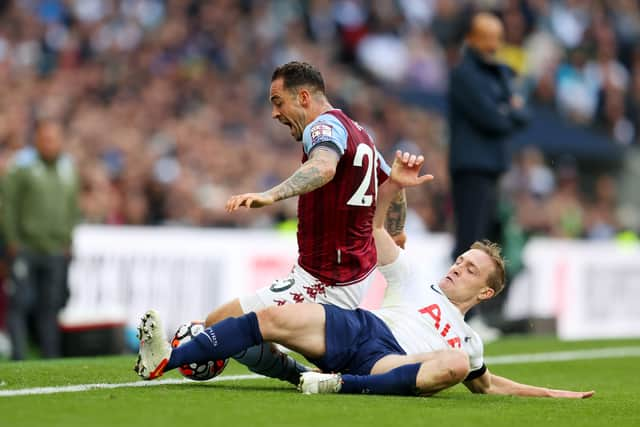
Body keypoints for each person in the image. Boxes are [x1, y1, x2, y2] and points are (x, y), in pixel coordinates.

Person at [134, 151, 593, 400]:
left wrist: (552, 393)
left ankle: (337, 383)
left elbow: (488, 385)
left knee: (453, 363)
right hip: (363, 330)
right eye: (460, 260)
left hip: (390, 362)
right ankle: (163, 361)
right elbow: (372, 229)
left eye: (470, 268)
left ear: (486, 291)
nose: (457, 267)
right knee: (274, 316)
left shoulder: (469, 342)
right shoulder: (415, 277)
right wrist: (393, 185)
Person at [198, 61, 406, 384]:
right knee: (263, 331)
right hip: (352, 271)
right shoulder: (360, 133)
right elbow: (392, 182)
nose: (274, 113)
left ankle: (300, 376)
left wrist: (271, 195)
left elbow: (324, 167)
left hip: (325, 280)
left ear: (304, 97)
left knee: (218, 324)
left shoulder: (321, 127)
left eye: (278, 102)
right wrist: (396, 231)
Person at [448, 12, 530, 335]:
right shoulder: (464, 74)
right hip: (471, 168)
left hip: (493, 168)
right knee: (470, 242)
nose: (495, 43)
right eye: (488, 36)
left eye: (498, 35)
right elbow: (492, 118)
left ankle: (477, 314)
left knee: (491, 243)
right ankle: (458, 317)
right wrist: (507, 108)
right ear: (471, 38)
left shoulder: (500, 72)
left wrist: (506, 109)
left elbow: (524, 114)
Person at [2, 119, 80, 359]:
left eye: (54, 139)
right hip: (26, 247)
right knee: (20, 303)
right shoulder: (22, 167)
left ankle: (50, 357)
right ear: (36, 140)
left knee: (51, 307)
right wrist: (12, 239)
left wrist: (68, 239)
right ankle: (19, 356)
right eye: (45, 139)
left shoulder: (68, 169)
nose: (50, 144)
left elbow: (72, 208)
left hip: (55, 250)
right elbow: (7, 204)